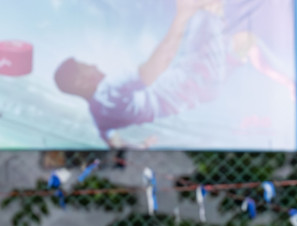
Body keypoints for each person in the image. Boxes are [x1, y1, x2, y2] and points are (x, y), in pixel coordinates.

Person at [55, 0, 227, 145]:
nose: (93, 65)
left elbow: (116, 144)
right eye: (86, 66)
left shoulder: (98, 116)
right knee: (206, 11)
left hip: (188, 96)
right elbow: (158, 64)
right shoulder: (109, 88)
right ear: (81, 82)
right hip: (194, 80)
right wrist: (182, 15)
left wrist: (143, 146)